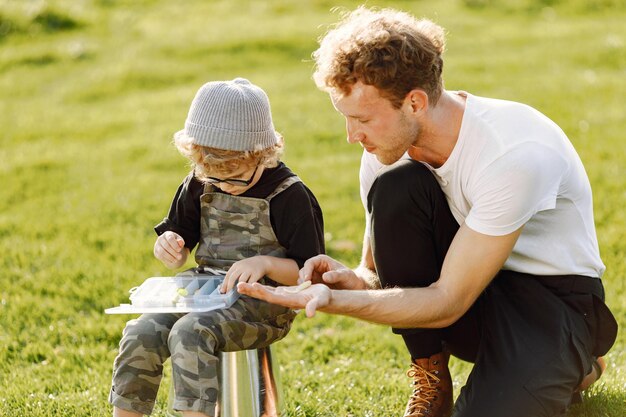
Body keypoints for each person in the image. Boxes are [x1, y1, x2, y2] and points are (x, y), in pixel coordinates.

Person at [237, 6, 618, 417]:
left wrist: (334, 303)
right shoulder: (386, 150)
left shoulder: (513, 154)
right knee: (398, 185)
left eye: (362, 118)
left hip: (552, 302)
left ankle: (575, 358)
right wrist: (351, 281)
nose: (352, 136)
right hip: (471, 292)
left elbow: (448, 300)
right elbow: (378, 274)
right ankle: (430, 373)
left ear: (415, 102)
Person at [109, 78, 325, 417]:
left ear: (263, 154)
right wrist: (169, 247)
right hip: (205, 292)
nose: (224, 185)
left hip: (266, 305)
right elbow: (179, 241)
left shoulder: (289, 196)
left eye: (235, 176)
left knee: (190, 332)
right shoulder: (200, 182)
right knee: (141, 331)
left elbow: (310, 273)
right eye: (214, 178)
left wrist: (266, 264)